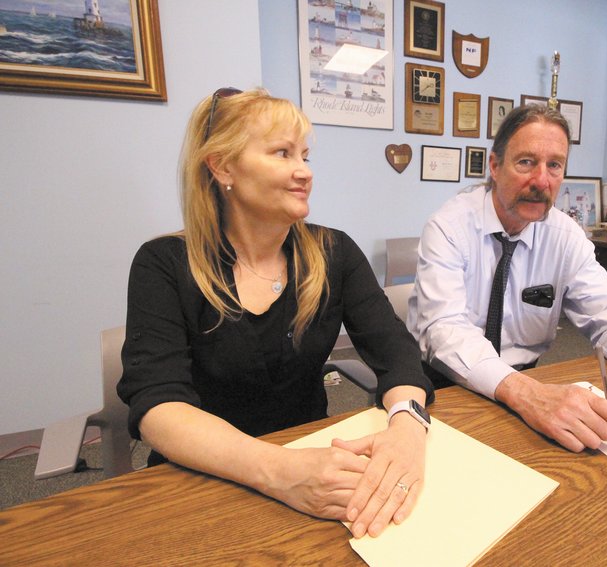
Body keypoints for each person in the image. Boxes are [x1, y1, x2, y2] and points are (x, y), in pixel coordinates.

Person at [117, 88, 434, 539]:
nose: (304, 172)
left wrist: (407, 426)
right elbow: (159, 408)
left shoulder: (334, 252)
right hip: (203, 481)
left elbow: (396, 351)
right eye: (282, 153)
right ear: (222, 166)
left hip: (314, 468)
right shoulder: (163, 263)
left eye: (305, 156)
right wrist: (280, 472)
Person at [407, 104, 607, 453]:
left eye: (554, 165)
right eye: (526, 162)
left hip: (529, 381)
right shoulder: (449, 227)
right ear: (495, 167)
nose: (541, 181)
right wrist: (526, 394)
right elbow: (444, 330)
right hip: (445, 385)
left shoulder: (565, 235)